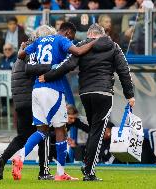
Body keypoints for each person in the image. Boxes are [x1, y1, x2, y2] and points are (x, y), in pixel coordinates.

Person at [39, 23, 135, 181]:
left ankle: (87, 163)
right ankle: (89, 170)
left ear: (89, 34)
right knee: (98, 131)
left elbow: (67, 65)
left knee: (93, 129)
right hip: (103, 92)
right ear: (102, 34)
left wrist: (48, 76)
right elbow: (123, 70)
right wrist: (129, 95)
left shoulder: (81, 46)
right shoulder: (113, 46)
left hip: (85, 93)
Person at [12, 22, 96, 181]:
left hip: (36, 90)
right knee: (60, 129)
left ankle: (20, 156)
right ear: (68, 32)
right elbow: (78, 51)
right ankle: (60, 172)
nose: (70, 39)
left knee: (41, 131)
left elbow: (21, 56)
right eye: (71, 36)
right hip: (53, 89)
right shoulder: (60, 39)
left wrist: (22, 47)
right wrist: (95, 41)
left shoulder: (37, 42)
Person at [0, 26, 55, 180]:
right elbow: (32, 69)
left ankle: (2, 159)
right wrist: (53, 67)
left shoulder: (23, 51)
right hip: (31, 100)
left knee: (22, 137)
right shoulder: (33, 52)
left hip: (20, 102)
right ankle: (43, 172)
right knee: (43, 134)